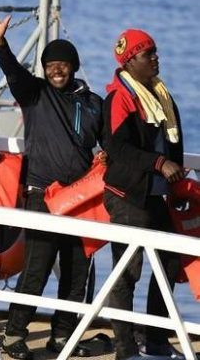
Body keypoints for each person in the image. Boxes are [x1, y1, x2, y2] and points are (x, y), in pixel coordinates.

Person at [0, 7, 104, 360]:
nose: (56, 70)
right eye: (50, 65)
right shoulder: (35, 93)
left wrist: (110, 155)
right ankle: (14, 335)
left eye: (62, 64)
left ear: (73, 66)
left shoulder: (94, 103)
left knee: (77, 272)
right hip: (41, 196)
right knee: (36, 268)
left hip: (81, 200)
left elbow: (109, 143)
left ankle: (62, 337)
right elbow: (13, 73)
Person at [103, 29, 185, 360]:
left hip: (157, 194)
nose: (155, 57)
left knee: (170, 261)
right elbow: (116, 148)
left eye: (154, 51)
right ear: (129, 61)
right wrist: (159, 163)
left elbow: (174, 145)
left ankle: (156, 340)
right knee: (127, 272)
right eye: (147, 53)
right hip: (127, 194)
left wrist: (176, 184)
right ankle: (125, 350)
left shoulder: (161, 94)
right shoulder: (119, 98)